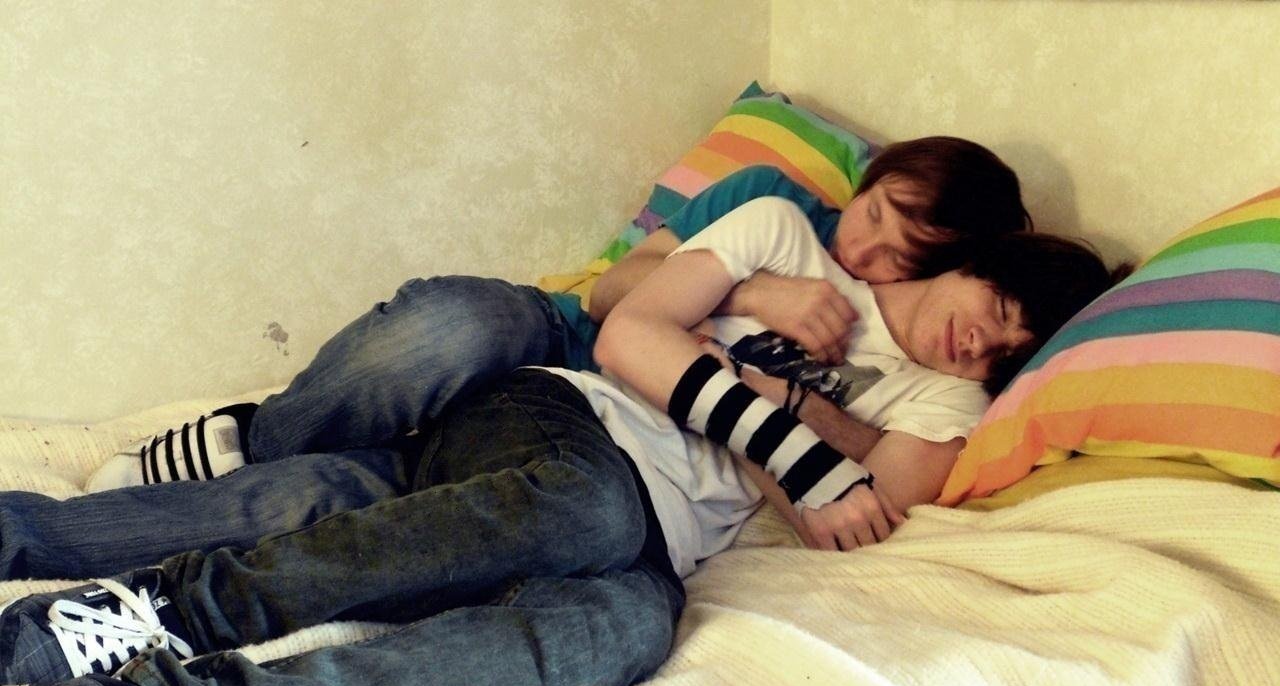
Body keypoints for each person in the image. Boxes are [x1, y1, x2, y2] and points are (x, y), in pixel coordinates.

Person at [0, 199, 1115, 686]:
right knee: (581, 505)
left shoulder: (946, 402)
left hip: (653, 544)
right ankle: (169, 610)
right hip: (556, 421)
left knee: (623, 633)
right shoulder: (787, 238)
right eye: (996, 307)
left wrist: (752, 394)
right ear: (972, 262)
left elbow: (851, 513)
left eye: (1008, 349)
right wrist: (806, 441)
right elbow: (630, 335)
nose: (981, 342)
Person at [82, 137, 1032, 493]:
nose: (868, 250)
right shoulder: (770, 204)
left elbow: (896, 463)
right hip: (568, 335)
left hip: (620, 421)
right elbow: (614, 295)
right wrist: (753, 293)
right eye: (876, 214)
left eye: (905, 253)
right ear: (870, 178)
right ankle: (256, 439)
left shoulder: (906, 344)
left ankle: (324, 470)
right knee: (458, 326)